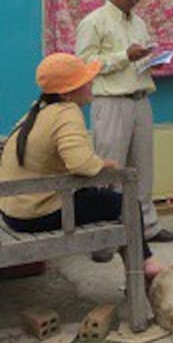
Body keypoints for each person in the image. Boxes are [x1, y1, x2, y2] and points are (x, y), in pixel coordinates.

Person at [0, 53, 164, 279]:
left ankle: (138, 261)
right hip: (36, 215)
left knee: (102, 199)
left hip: (12, 212)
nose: (91, 84)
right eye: (84, 81)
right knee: (128, 203)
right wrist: (105, 164)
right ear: (67, 93)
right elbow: (81, 164)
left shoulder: (39, 109)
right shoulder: (67, 112)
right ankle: (146, 262)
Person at [76, 0, 173, 244]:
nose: (135, 0)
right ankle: (104, 237)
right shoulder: (93, 22)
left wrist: (151, 61)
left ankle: (147, 228)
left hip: (140, 98)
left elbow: (136, 61)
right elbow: (85, 65)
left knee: (142, 169)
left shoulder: (139, 23)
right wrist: (125, 56)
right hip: (111, 102)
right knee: (109, 170)